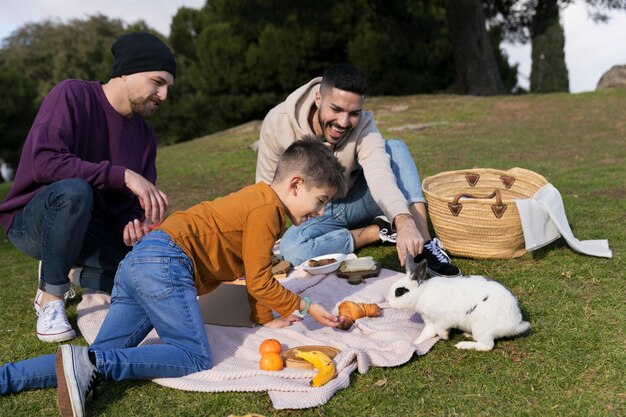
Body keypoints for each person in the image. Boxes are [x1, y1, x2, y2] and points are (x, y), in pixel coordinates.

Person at [0, 136, 347, 416]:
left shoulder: (259, 202)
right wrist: (304, 306)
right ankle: (83, 360)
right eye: (320, 201)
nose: (319, 212)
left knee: (95, 361)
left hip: (141, 262)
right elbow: (259, 281)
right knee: (193, 354)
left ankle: (8, 377)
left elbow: (252, 270)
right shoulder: (268, 209)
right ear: (296, 184)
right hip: (166, 262)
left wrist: (263, 318)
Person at [0, 32, 175, 343]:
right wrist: (122, 175)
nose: (162, 95)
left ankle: (70, 272)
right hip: (34, 222)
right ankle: (51, 297)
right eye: (156, 82)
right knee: (75, 191)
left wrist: (130, 224)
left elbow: (126, 206)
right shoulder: (71, 95)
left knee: (141, 268)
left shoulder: (144, 136)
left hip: (91, 227)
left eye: (167, 88)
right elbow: (45, 163)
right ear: (126, 72)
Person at [256, 63, 461, 276]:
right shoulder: (278, 122)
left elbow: (380, 175)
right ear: (318, 99)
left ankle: (423, 244)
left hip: (359, 198)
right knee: (292, 249)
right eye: (336, 110)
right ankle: (377, 231)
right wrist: (262, 242)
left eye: (353, 113)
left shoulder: (364, 125)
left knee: (395, 148)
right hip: (319, 211)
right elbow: (266, 187)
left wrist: (405, 221)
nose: (343, 122)